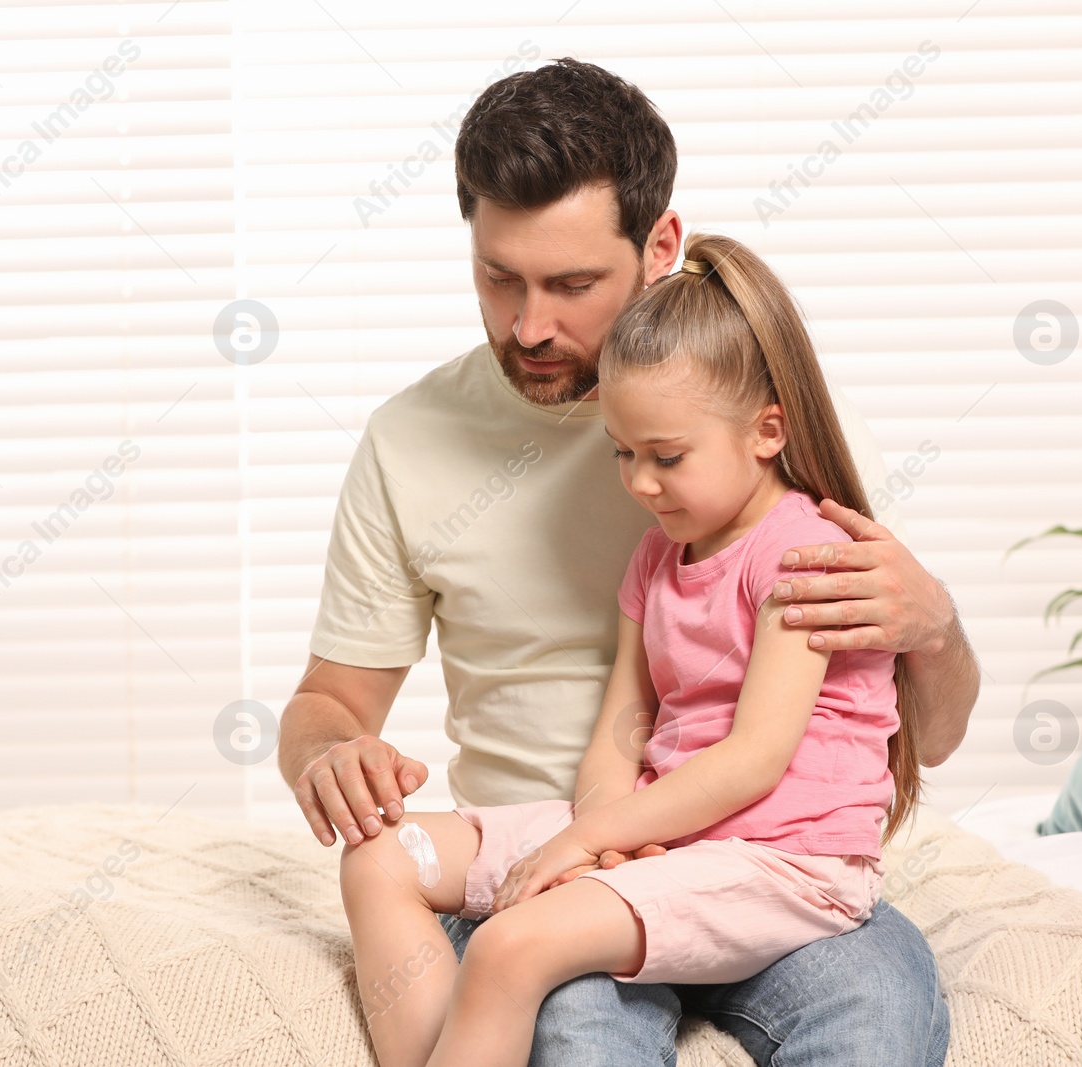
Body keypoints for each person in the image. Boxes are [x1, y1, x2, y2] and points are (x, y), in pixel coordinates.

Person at [280, 57, 977, 1067]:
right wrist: (328, 752)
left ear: (661, 246)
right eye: (497, 276)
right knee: (571, 1015)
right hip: (572, 845)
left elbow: (922, 733)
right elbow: (328, 701)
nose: (529, 325)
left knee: (876, 1008)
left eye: (570, 284)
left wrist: (935, 626)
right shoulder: (410, 441)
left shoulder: (778, 446)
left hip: (766, 851)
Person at [341, 231, 922, 1067]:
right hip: (670, 832)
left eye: (667, 457)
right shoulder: (657, 554)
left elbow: (753, 759)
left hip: (783, 858)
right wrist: (602, 827)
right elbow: (625, 719)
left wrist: (588, 845)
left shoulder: (803, 557)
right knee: (380, 858)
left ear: (767, 431)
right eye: (623, 451)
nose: (640, 483)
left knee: (512, 944)